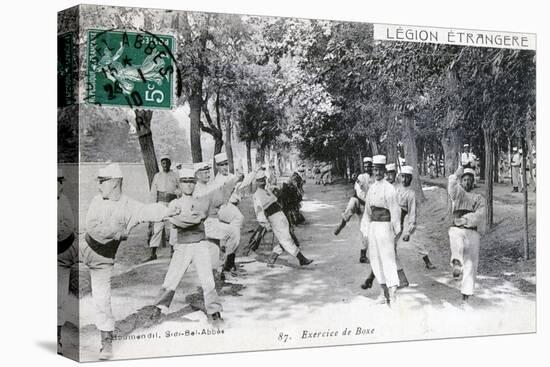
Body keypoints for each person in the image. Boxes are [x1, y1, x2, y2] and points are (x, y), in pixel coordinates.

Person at [84, 163, 180, 359]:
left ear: (113, 183)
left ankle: (106, 341)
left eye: (102, 181)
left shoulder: (129, 206)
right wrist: (118, 234)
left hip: (102, 259)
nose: (99, 185)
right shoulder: (96, 200)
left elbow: (147, 211)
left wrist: (169, 211)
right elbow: (92, 228)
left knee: (101, 299)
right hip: (80, 248)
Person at [154, 167, 233, 323]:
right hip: (182, 245)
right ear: (180, 184)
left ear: (195, 183)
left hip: (200, 244)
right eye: (185, 182)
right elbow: (176, 223)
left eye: (191, 182)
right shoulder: (174, 203)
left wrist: (183, 219)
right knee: (172, 278)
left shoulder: (201, 200)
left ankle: (214, 311)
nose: (189, 185)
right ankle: (159, 309)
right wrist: (187, 219)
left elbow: (198, 217)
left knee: (207, 278)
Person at [361, 155, 401, 306]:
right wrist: (365, 231)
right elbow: (367, 212)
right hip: (373, 227)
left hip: (385, 227)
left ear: (384, 171)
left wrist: (395, 232)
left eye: (379, 170)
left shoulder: (389, 189)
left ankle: (393, 295)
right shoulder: (371, 188)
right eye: (374, 170)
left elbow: (395, 211)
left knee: (388, 260)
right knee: (376, 260)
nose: (377, 173)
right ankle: (383, 294)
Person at [253, 171, 313, 267]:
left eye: (264, 179)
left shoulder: (267, 191)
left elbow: (276, 199)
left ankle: (272, 259)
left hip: (281, 215)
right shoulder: (257, 195)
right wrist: (265, 224)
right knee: (286, 239)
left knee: (284, 238)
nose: (263, 182)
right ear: (256, 182)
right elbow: (259, 212)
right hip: (273, 218)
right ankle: (302, 259)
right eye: (260, 181)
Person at [448, 166, 485, 304]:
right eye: (465, 179)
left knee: (471, 264)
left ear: (473, 182)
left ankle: (465, 298)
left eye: (470, 180)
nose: (467, 182)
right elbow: (452, 184)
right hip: (457, 228)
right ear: (461, 181)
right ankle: (457, 262)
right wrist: (459, 171)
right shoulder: (457, 193)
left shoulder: (478, 198)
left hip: (472, 231)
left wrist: (465, 219)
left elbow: (480, 214)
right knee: (455, 237)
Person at [334, 157, 373, 264]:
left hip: (367, 207)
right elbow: (357, 191)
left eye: (369, 166)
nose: (367, 168)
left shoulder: (375, 179)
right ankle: (342, 224)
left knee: (365, 230)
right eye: (365, 166)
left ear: (372, 166)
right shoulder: (361, 176)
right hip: (358, 201)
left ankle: (363, 255)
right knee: (352, 202)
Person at [57, 168, 77, 356]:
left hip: (60, 253)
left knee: (58, 297)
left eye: (59, 181)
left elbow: (67, 227)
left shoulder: (63, 202)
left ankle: (57, 338)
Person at [147, 155, 181, 261]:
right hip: (161, 203)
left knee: (172, 227)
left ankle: (173, 251)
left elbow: (180, 189)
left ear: (170, 163)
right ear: (161, 164)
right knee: (157, 227)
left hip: (172, 203)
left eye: (167, 162)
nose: (165, 165)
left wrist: (178, 198)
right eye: (163, 163)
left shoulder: (175, 175)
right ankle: (153, 253)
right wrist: (152, 206)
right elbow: (153, 192)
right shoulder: (157, 176)